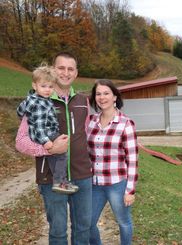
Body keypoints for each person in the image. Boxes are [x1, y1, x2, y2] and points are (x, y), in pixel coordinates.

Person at [15, 52, 92, 244]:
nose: (65, 73)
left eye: (70, 69)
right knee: (58, 232)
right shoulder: (38, 101)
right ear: (53, 70)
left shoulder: (83, 101)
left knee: (83, 229)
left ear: (76, 73)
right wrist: (49, 150)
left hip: (82, 176)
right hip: (50, 179)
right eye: (61, 68)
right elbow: (21, 141)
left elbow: (88, 135)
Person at [87, 79, 138, 245]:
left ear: (115, 96)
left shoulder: (125, 123)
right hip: (95, 184)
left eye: (106, 93)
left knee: (123, 222)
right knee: (88, 223)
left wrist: (130, 190)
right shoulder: (91, 122)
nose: (102, 97)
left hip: (117, 184)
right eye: (98, 94)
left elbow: (132, 160)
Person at [17, 64, 79, 194]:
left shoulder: (31, 99)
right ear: (35, 86)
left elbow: (20, 110)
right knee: (62, 153)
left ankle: (58, 181)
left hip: (45, 133)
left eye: (51, 87)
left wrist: (23, 114)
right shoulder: (40, 103)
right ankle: (59, 181)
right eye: (43, 86)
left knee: (54, 156)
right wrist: (46, 141)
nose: (47, 90)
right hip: (45, 134)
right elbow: (39, 127)